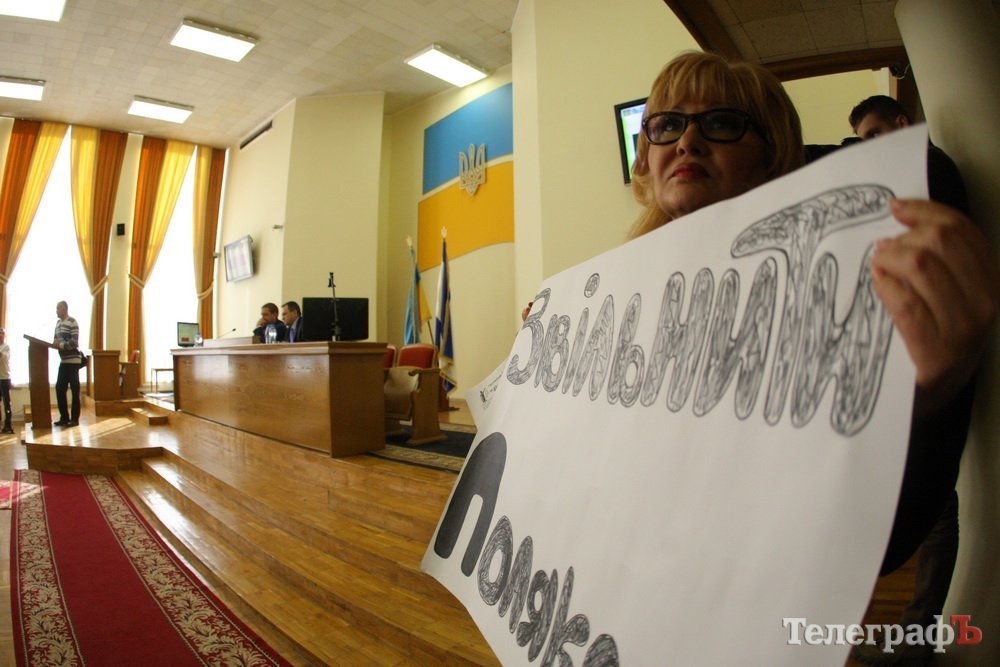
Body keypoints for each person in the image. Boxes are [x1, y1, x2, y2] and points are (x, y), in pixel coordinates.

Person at [849, 94, 967, 667]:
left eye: (874, 136)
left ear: (901, 124)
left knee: (938, 505)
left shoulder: (927, 172)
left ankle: (918, 634)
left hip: (925, 369)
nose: (868, 150)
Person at [53, 300, 84, 427]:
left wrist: (60, 345)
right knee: (59, 388)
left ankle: (75, 419)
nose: (56, 311)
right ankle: (64, 418)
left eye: (58, 308)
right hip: (63, 361)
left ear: (64, 309)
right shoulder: (57, 323)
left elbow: (74, 342)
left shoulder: (72, 322)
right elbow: (55, 340)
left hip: (73, 362)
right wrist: (57, 344)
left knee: (75, 390)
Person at [0, 327, 12, 433]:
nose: (0, 335)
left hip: (5, 378)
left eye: (2, 333)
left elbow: (2, 356)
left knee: (7, 403)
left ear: (4, 335)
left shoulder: (6, 347)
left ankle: (8, 425)